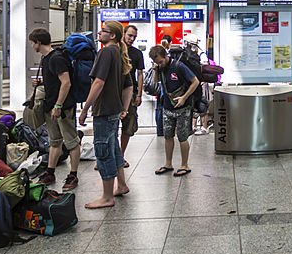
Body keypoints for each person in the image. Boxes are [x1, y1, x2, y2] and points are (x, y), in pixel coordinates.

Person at [78, 21, 133, 208]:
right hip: (114, 110)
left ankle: (107, 197)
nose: (99, 33)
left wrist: (85, 109)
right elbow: (129, 86)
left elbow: (98, 82)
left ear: (112, 36)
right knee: (114, 148)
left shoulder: (105, 52)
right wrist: (124, 108)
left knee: (103, 151)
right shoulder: (118, 53)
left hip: (104, 109)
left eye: (104, 31)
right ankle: (122, 185)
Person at [28, 28, 82, 190]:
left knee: (71, 141)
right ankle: (50, 172)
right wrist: (42, 84)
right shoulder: (47, 59)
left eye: (32, 43)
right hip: (51, 106)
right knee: (54, 141)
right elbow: (56, 82)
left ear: (38, 42)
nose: (32, 46)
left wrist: (58, 105)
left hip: (63, 107)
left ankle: (73, 175)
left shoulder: (56, 58)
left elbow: (66, 82)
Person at [150, 44, 200, 177]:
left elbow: (195, 81)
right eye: (156, 62)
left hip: (183, 107)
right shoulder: (160, 68)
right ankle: (168, 163)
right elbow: (156, 83)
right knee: (168, 136)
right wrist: (156, 69)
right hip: (167, 106)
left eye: (160, 61)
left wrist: (184, 97)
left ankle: (185, 165)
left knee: (182, 137)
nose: (159, 64)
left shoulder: (179, 66)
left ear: (166, 56)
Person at [120, 24, 146, 166]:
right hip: (115, 92)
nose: (131, 39)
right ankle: (109, 157)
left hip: (131, 93)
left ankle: (120, 155)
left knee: (128, 125)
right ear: (123, 34)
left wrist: (139, 94)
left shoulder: (136, 53)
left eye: (134, 37)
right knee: (110, 126)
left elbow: (140, 73)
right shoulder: (116, 50)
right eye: (129, 35)